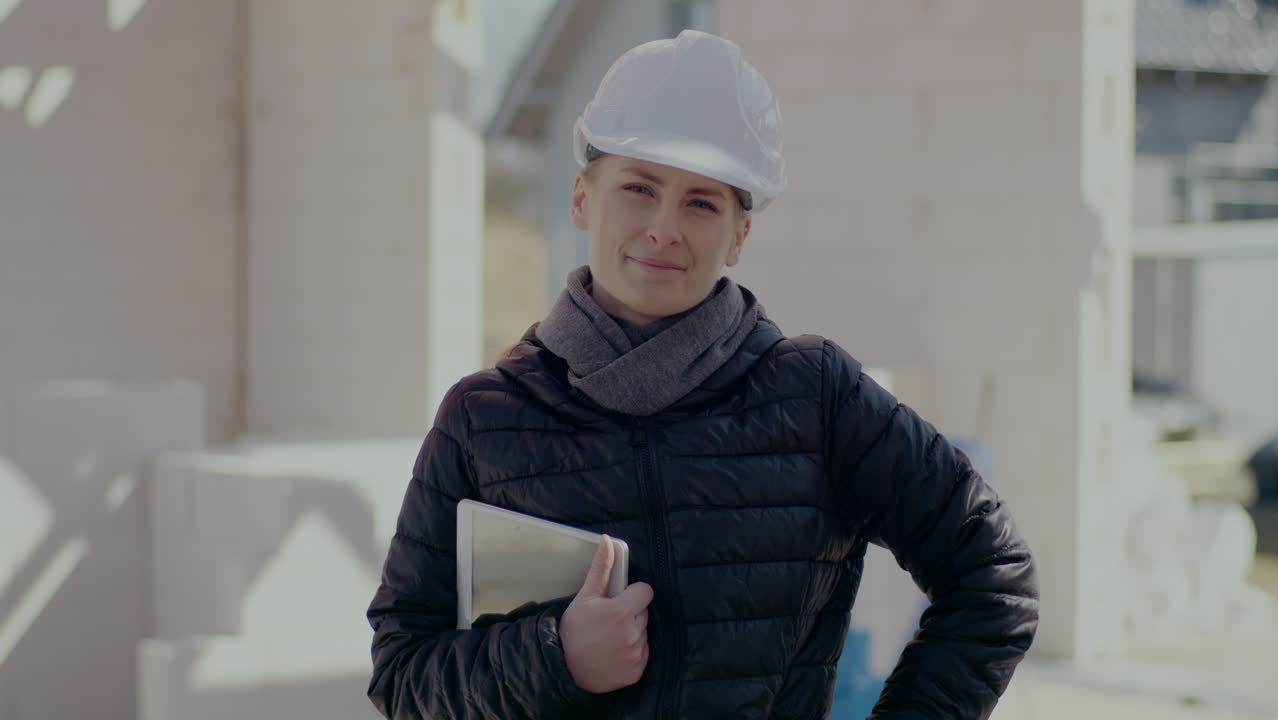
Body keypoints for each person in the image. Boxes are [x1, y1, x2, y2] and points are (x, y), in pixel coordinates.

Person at [366, 30, 1038, 719]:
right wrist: (553, 654)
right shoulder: (482, 419)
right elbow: (402, 672)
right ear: (580, 198)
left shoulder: (818, 397)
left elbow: (994, 577)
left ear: (738, 234)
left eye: (701, 202)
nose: (663, 228)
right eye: (638, 188)